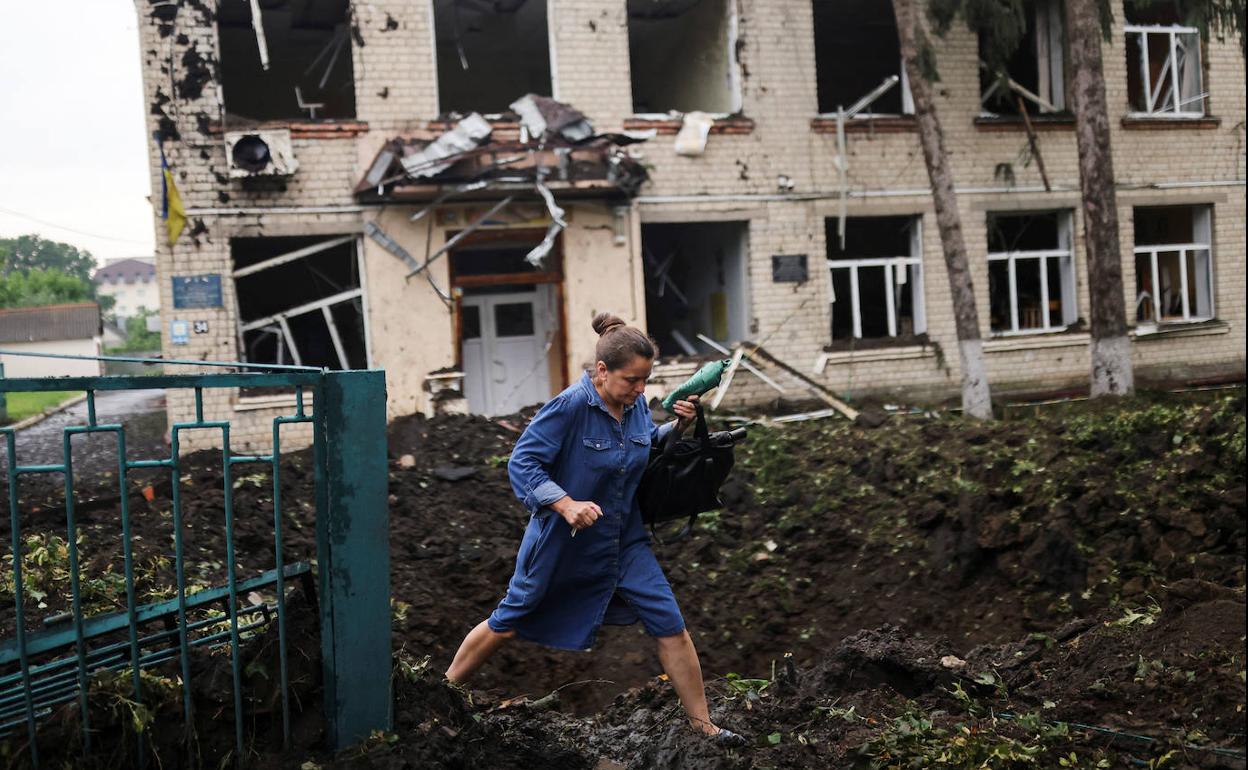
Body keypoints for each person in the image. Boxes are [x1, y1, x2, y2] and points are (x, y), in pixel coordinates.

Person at [445, 312, 746, 746]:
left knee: (671, 625)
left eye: (646, 380)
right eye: (631, 380)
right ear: (602, 371)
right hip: (561, 543)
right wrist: (564, 503)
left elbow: (642, 444)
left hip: (624, 540)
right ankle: (441, 692)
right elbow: (523, 463)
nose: (641, 390)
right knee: (509, 620)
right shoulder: (568, 408)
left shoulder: (635, 404)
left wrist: (677, 426)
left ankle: (704, 726)